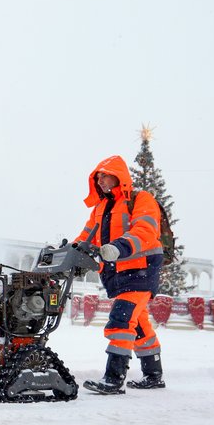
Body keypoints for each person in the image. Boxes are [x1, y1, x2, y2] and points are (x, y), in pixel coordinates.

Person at [74, 155, 167, 395]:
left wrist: (119, 246)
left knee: (122, 318)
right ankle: (153, 375)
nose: (101, 180)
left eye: (104, 175)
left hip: (141, 268)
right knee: (139, 324)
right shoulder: (101, 208)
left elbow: (145, 230)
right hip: (119, 273)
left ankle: (113, 379)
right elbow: (86, 236)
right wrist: (68, 252)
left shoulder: (140, 199)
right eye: (98, 177)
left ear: (118, 175)